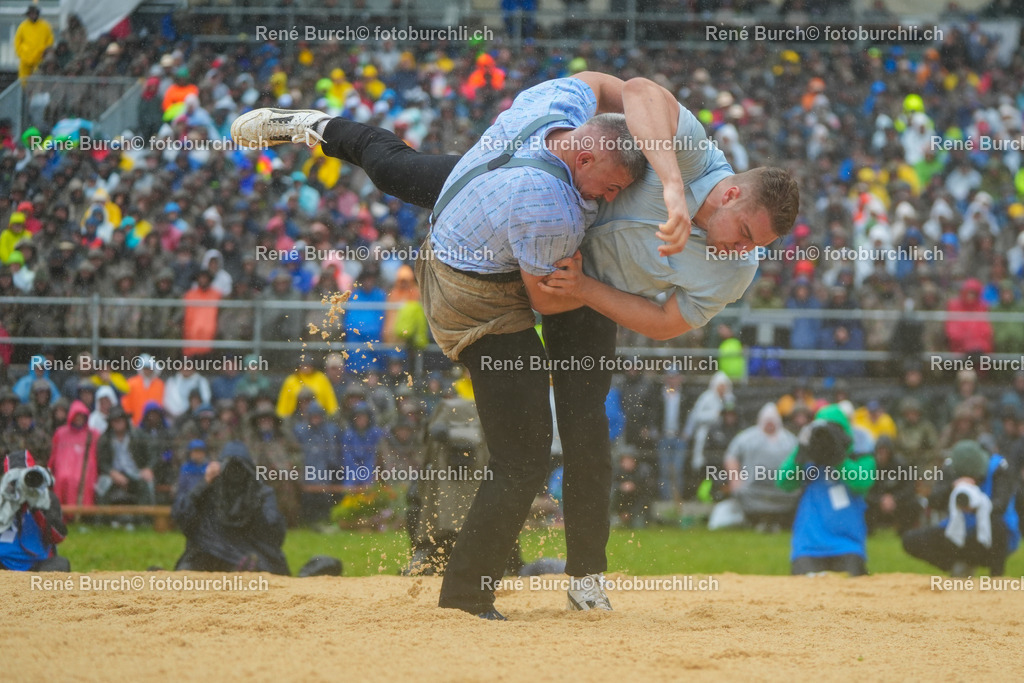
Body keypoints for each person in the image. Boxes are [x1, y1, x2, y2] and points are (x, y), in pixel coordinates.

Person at [233, 71, 797, 617]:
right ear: (727, 194)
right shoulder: (695, 160)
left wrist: (584, 287)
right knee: (394, 170)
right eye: (744, 234)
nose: (740, 251)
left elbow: (665, 322)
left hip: (590, 293)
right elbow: (640, 90)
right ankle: (315, 125)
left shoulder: (737, 267)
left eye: (757, 246)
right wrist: (671, 186)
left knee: (585, 431)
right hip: (525, 220)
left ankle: (585, 578)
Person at [777, 404, 876, 576]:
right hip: (808, 546)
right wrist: (800, 454)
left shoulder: (861, 458)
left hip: (848, 545)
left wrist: (838, 458)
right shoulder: (808, 461)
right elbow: (783, 482)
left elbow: (861, 482)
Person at [902, 440, 1019, 576]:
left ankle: (996, 577)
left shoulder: (999, 468)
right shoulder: (951, 467)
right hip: (959, 533)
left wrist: (977, 506)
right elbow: (933, 502)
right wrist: (952, 487)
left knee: (999, 527)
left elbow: (1001, 505)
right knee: (911, 540)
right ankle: (959, 562)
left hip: (991, 536)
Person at [172, 449, 290, 575]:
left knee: (253, 563)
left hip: (241, 554)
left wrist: (205, 482)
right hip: (211, 554)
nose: (235, 474)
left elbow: (273, 526)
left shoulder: (261, 493)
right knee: (189, 570)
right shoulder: (210, 490)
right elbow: (181, 512)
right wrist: (204, 483)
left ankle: (241, 570)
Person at [720, 403, 800, 530]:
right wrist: (735, 479)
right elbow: (731, 456)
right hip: (752, 488)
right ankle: (757, 522)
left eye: (772, 421)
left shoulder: (790, 440)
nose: (770, 424)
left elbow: (800, 460)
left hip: (782, 489)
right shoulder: (746, 438)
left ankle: (778, 522)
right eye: (767, 421)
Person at [0, 450, 69, 572]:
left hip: (37, 565)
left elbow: (58, 536)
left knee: (61, 565)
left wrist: (36, 506)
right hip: (3, 563)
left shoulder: (48, 498)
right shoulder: (2, 497)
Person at [48, 400, 100, 507]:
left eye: (81, 416)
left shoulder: (93, 434)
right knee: (62, 478)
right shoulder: (61, 433)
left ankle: (82, 514)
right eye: (76, 415)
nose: (79, 418)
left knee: (83, 480)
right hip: (64, 467)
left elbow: (95, 456)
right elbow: (55, 455)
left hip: (85, 468)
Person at [14, 6, 53, 81]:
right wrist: (21, 53)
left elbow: (50, 40)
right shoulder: (22, 26)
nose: (32, 16)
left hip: (40, 58)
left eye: (34, 13)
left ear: (37, 14)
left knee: (38, 78)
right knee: (23, 79)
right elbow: (17, 41)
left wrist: (46, 52)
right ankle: (24, 92)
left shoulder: (45, 26)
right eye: (30, 14)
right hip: (25, 58)